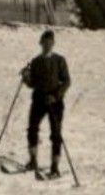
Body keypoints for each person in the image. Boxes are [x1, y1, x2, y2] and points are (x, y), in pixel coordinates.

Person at [21, 29, 71, 177]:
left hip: (55, 102)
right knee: (32, 129)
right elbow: (33, 83)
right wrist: (26, 78)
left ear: (53, 44)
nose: (47, 45)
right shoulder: (36, 61)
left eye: (50, 43)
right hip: (38, 100)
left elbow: (67, 81)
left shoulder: (60, 60)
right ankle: (33, 160)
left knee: (56, 134)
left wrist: (56, 95)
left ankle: (55, 167)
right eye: (45, 43)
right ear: (40, 43)